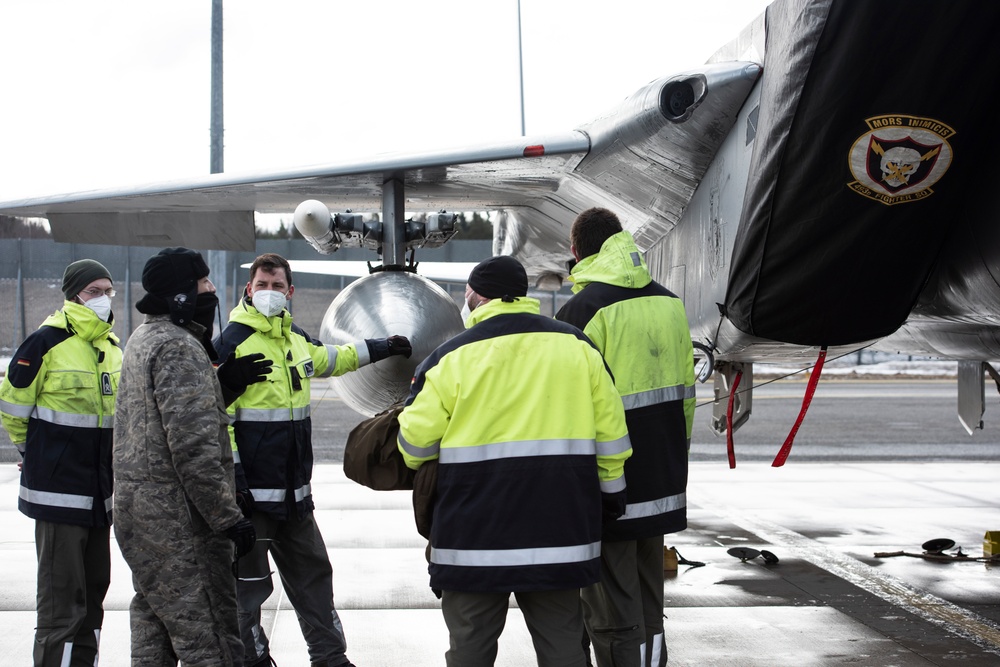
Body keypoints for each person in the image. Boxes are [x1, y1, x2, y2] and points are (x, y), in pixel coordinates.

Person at [397, 254, 633, 667]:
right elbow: (612, 438)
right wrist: (611, 495)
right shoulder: (578, 347)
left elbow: (414, 447)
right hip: (559, 535)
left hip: (473, 540)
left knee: (470, 646)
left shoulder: (449, 357)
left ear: (475, 296)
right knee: (563, 645)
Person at [213, 252, 412, 667]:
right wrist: (233, 480)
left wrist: (382, 347)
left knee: (315, 579)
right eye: (262, 285)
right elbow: (216, 420)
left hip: (296, 501)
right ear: (248, 290)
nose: (270, 293)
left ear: (290, 291)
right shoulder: (229, 344)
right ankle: (251, 660)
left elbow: (334, 358)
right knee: (247, 589)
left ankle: (330, 659)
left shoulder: (295, 339)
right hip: (252, 503)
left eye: (277, 286)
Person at [555, 208, 696, 667]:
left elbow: (572, 411)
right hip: (663, 479)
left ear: (577, 252)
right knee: (650, 609)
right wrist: (674, 461)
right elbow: (687, 400)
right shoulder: (671, 303)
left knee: (613, 613)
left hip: (610, 490)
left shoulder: (581, 311)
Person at [114, 247, 262, 667]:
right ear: (181, 295)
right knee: (210, 640)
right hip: (180, 524)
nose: (211, 289)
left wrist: (223, 386)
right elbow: (192, 448)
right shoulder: (179, 348)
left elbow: (160, 428)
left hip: (140, 518)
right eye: (202, 282)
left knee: (154, 625)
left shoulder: (143, 338)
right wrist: (226, 516)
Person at [0, 259, 120, 667]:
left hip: (98, 498)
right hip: (58, 497)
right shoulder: (45, 342)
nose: (104, 298)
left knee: (93, 599)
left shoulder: (110, 348)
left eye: (108, 291)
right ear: (74, 295)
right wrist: (31, 453)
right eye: (94, 291)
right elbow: (12, 407)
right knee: (60, 607)